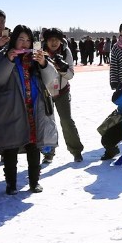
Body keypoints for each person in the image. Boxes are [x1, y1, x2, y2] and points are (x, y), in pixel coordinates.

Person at [0, 26, 57, 194]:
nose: (24, 43)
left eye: (28, 40)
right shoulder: (5, 54)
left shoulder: (36, 56)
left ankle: (35, 182)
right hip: (13, 108)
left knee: (33, 146)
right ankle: (11, 184)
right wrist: (8, 60)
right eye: (21, 39)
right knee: (11, 147)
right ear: (14, 40)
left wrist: (43, 63)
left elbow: (51, 78)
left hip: (34, 107)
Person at [39, 28, 84, 162]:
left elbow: (70, 75)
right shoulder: (39, 51)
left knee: (66, 120)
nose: (54, 42)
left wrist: (62, 69)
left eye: (56, 40)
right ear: (45, 41)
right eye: (51, 39)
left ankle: (76, 150)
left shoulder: (65, 51)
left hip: (62, 91)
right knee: (47, 122)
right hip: (45, 92)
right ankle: (48, 152)